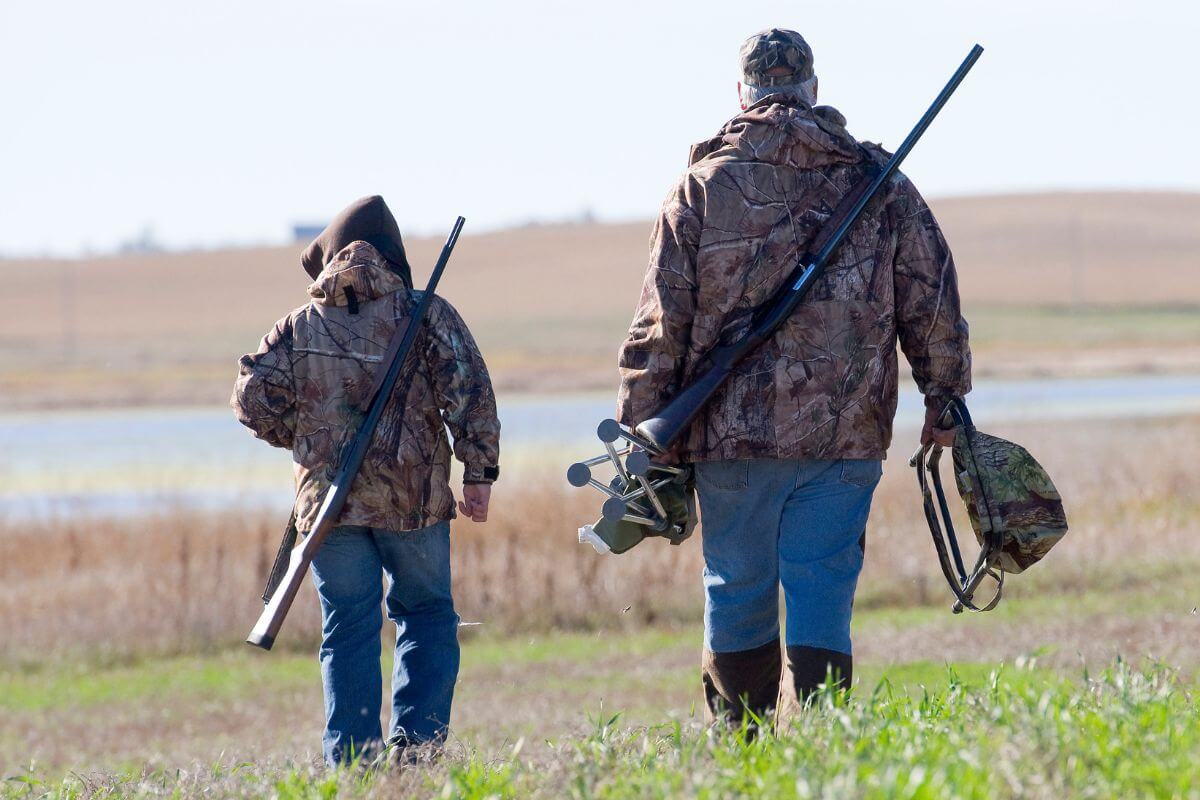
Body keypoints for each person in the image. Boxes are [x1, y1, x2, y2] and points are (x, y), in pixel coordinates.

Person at [616, 29, 971, 728]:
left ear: (742, 93)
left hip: (730, 440)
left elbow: (661, 324)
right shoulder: (879, 181)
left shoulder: (700, 187)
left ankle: (742, 751)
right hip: (846, 434)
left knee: (737, 587)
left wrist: (643, 426)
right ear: (812, 89)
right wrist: (944, 396)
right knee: (823, 589)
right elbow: (932, 301)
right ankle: (823, 741)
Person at [232, 195, 500, 765]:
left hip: (329, 512)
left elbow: (251, 399)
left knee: (348, 629)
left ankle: (352, 764)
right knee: (426, 616)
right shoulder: (426, 312)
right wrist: (479, 473)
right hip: (414, 504)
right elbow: (470, 395)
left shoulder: (299, 325)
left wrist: (304, 439)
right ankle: (418, 754)